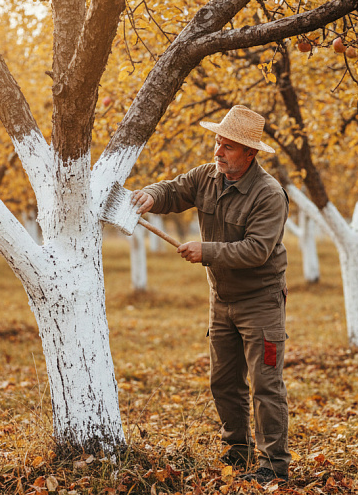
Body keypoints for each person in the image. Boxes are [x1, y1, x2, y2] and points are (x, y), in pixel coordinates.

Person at [131, 105, 291, 484]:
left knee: (265, 384)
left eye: (227, 147)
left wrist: (207, 250)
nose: (217, 152)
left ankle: (274, 467)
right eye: (217, 143)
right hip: (221, 301)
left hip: (260, 303)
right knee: (222, 381)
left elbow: (257, 250)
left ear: (250, 153)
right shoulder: (207, 176)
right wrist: (150, 196)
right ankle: (238, 453)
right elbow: (173, 190)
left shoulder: (268, 195)